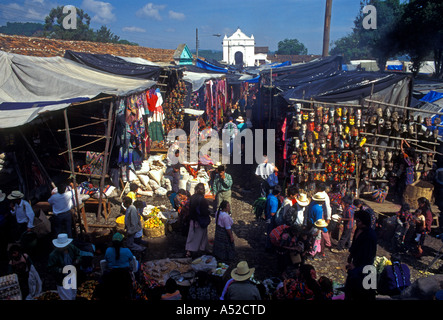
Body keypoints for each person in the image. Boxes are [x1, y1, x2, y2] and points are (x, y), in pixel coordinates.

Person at [344, 210, 377, 301]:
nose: (356, 223)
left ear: (364, 222)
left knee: (362, 290)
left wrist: (355, 266)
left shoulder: (370, 235)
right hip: (356, 262)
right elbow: (355, 244)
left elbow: (368, 254)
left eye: (358, 221)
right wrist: (350, 256)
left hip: (365, 265)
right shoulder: (358, 230)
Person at [47, 233, 81, 300]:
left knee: (73, 295)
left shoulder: (71, 247)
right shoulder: (53, 255)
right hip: (62, 279)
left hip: (72, 275)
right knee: (67, 297)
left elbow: (78, 254)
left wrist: (77, 260)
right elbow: (50, 268)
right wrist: (61, 270)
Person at [185, 183, 210, 258]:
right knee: (201, 236)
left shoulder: (192, 197)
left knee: (191, 235)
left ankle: (188, 251)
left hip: (192, 220)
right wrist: (208, 212)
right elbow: (204, 212)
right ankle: (200, 250)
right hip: (199, 221)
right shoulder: (203, 200)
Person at [265, 185, 282, 252]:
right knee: (271, 232)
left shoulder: (269, 196)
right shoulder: (274, 201)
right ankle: (269, 247)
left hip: (267, 216)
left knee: (269, 231)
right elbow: (272, 213)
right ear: (278, 193)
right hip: (271, 218)